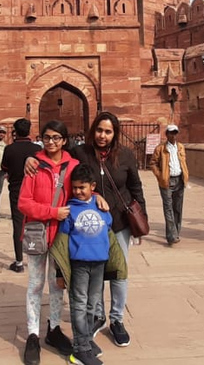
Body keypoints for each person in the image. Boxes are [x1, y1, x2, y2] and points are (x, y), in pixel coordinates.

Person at [24, 112, 146, 348]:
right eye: (99, 130)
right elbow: (53, 156)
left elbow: (136, 187)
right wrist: (29, 158)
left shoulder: (126, 155)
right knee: (94, 271)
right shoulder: (81, 153)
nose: (103, 135)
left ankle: (117, 319)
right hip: (86, 225)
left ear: (115, 133)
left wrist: (141, 221)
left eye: (108, 131)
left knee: (119, 271)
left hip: (118, 221)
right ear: (93, 131)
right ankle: (96, 316)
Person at [50, 164, 127, 365]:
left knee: (93, 304)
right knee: (79, 303)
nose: (77, 192)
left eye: (82, 188)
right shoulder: (70, 210)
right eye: (75, 188)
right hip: (79, 264)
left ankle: (85, 339)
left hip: (99, 263)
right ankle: (80, 349)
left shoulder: (101, 207)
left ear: (92, 186)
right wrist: (60, 272)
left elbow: (108, 231)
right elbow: (62, 243)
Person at [18, 120, 79, 365]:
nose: (51, 142)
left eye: (56, 137)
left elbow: (81, 191)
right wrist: (52, 212)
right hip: (37, 232)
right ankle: (33, 333)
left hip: (61, 235)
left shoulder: (73, 166)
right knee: (34, 284)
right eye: (47, 137)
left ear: (64, 140)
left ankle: (53, 328)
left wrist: (96, 198)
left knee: (56, 285)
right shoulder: (34, 165)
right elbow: (23, 202)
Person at [1, 118, 41, 273]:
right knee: (37, 224)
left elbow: (4, 167)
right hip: (35, 191)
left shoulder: (9, 149)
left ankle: (19, 262)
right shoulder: (37, 149)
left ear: (15, 131)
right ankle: (36, 257)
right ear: (29, 130)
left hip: (17, 190)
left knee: (18, 225)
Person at [150, 124, 189, 245]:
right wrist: (160, 176)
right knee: (168, 208)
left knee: (177, 208)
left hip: (179, 179)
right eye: (171, 133)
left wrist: (185, 175)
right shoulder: (160, 148)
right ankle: (172, 236)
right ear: (166, 134)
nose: (173, 135)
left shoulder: (181, 147)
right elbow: (153, 163)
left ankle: (175, 232)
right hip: (167, 180)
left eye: (175, 133)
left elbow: (183, 162)